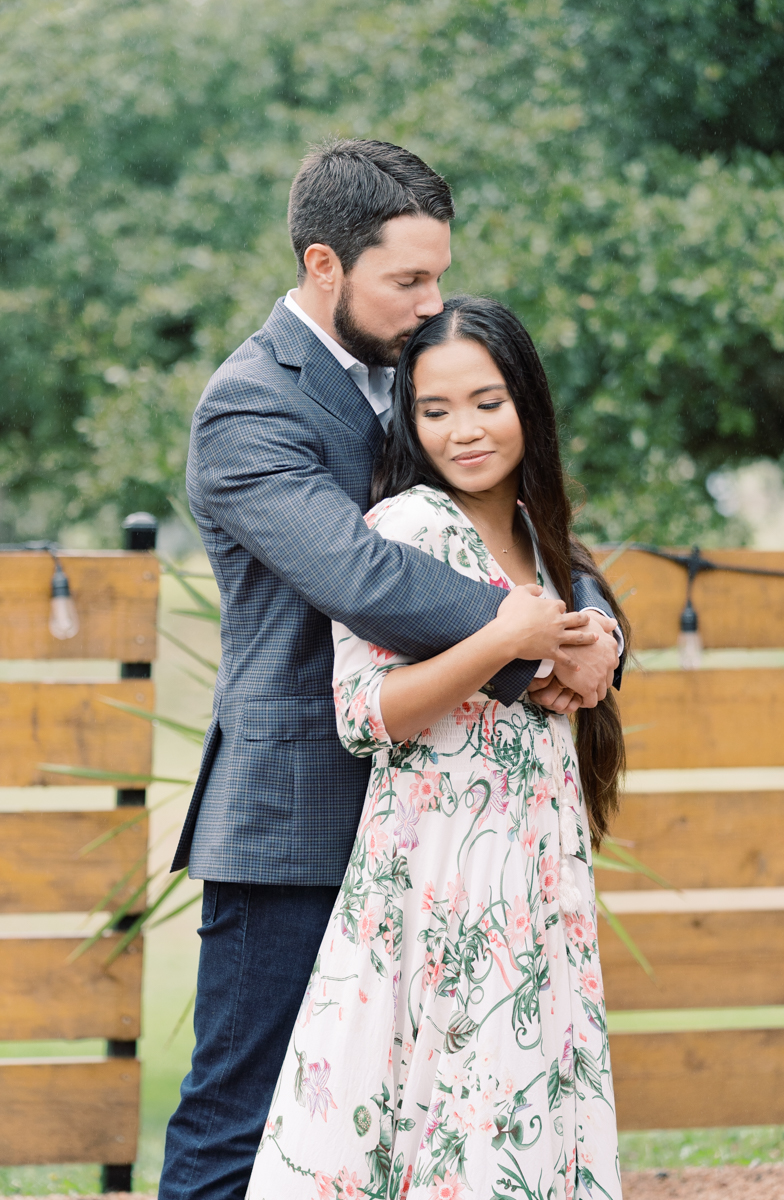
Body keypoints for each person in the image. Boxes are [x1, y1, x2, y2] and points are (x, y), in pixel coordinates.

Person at [160, 141, 622, 1200]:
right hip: (298, 821)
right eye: (406, 281)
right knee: (245, 1122)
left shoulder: (414, 380)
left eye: (438, 275)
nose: (430, 304)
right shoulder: (248, 405)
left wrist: (596, 635)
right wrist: (533, 645)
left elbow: (521, 533)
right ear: (324, 264)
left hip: (445, 837)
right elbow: (364, 573)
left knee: (400, 1137)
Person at [246, 296, 629, 1200]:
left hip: (534, 871)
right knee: (447, 1115)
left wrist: (598, 645)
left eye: (488, 402)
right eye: (435, 409)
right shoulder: (409, 528)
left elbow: (575, 634)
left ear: (528, 404)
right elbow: (365, 713)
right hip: (443, 872)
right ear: (409, 422)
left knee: (525, 1105)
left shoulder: (543, 540)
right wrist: (503, 640)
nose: (465, 431)